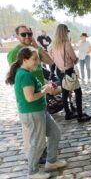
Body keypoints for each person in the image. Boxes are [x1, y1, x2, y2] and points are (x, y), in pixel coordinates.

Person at [5, 47, 66, 179]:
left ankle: (51, 161)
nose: (37, 62)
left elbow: (35, 91)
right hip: (32, 113)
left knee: (55, 133)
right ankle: (32, 172)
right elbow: (30, 97)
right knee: (37, 143)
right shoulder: (24, 75)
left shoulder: (27, 72)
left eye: (37, 59)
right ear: (24, 60)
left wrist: (47, 87)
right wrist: (44, 91)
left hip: (39, 110)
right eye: (34, 59)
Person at [7, 25, 55, 164]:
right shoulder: (15, 52)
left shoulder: (34, 50)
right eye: (24, 34)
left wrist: (37, 46)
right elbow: (17, 76)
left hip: (40, 93)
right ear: (17, 36)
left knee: (40, 128)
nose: (27, 36)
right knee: (31, 131)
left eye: (29, 33)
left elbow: (50, 61)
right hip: (29, 97)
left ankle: (41, 152)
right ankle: (33, 159)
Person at [49, 24, 91, 122]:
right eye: (67, 32)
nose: (67, 33)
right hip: (68, 71)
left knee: (65, 93)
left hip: (59, 70)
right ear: (64, 32)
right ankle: (80, 116)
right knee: (78, 92)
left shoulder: (52, 45)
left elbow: (51, 58)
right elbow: (74, 58)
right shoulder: (66, 43)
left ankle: (68, 113)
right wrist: (75, 60)